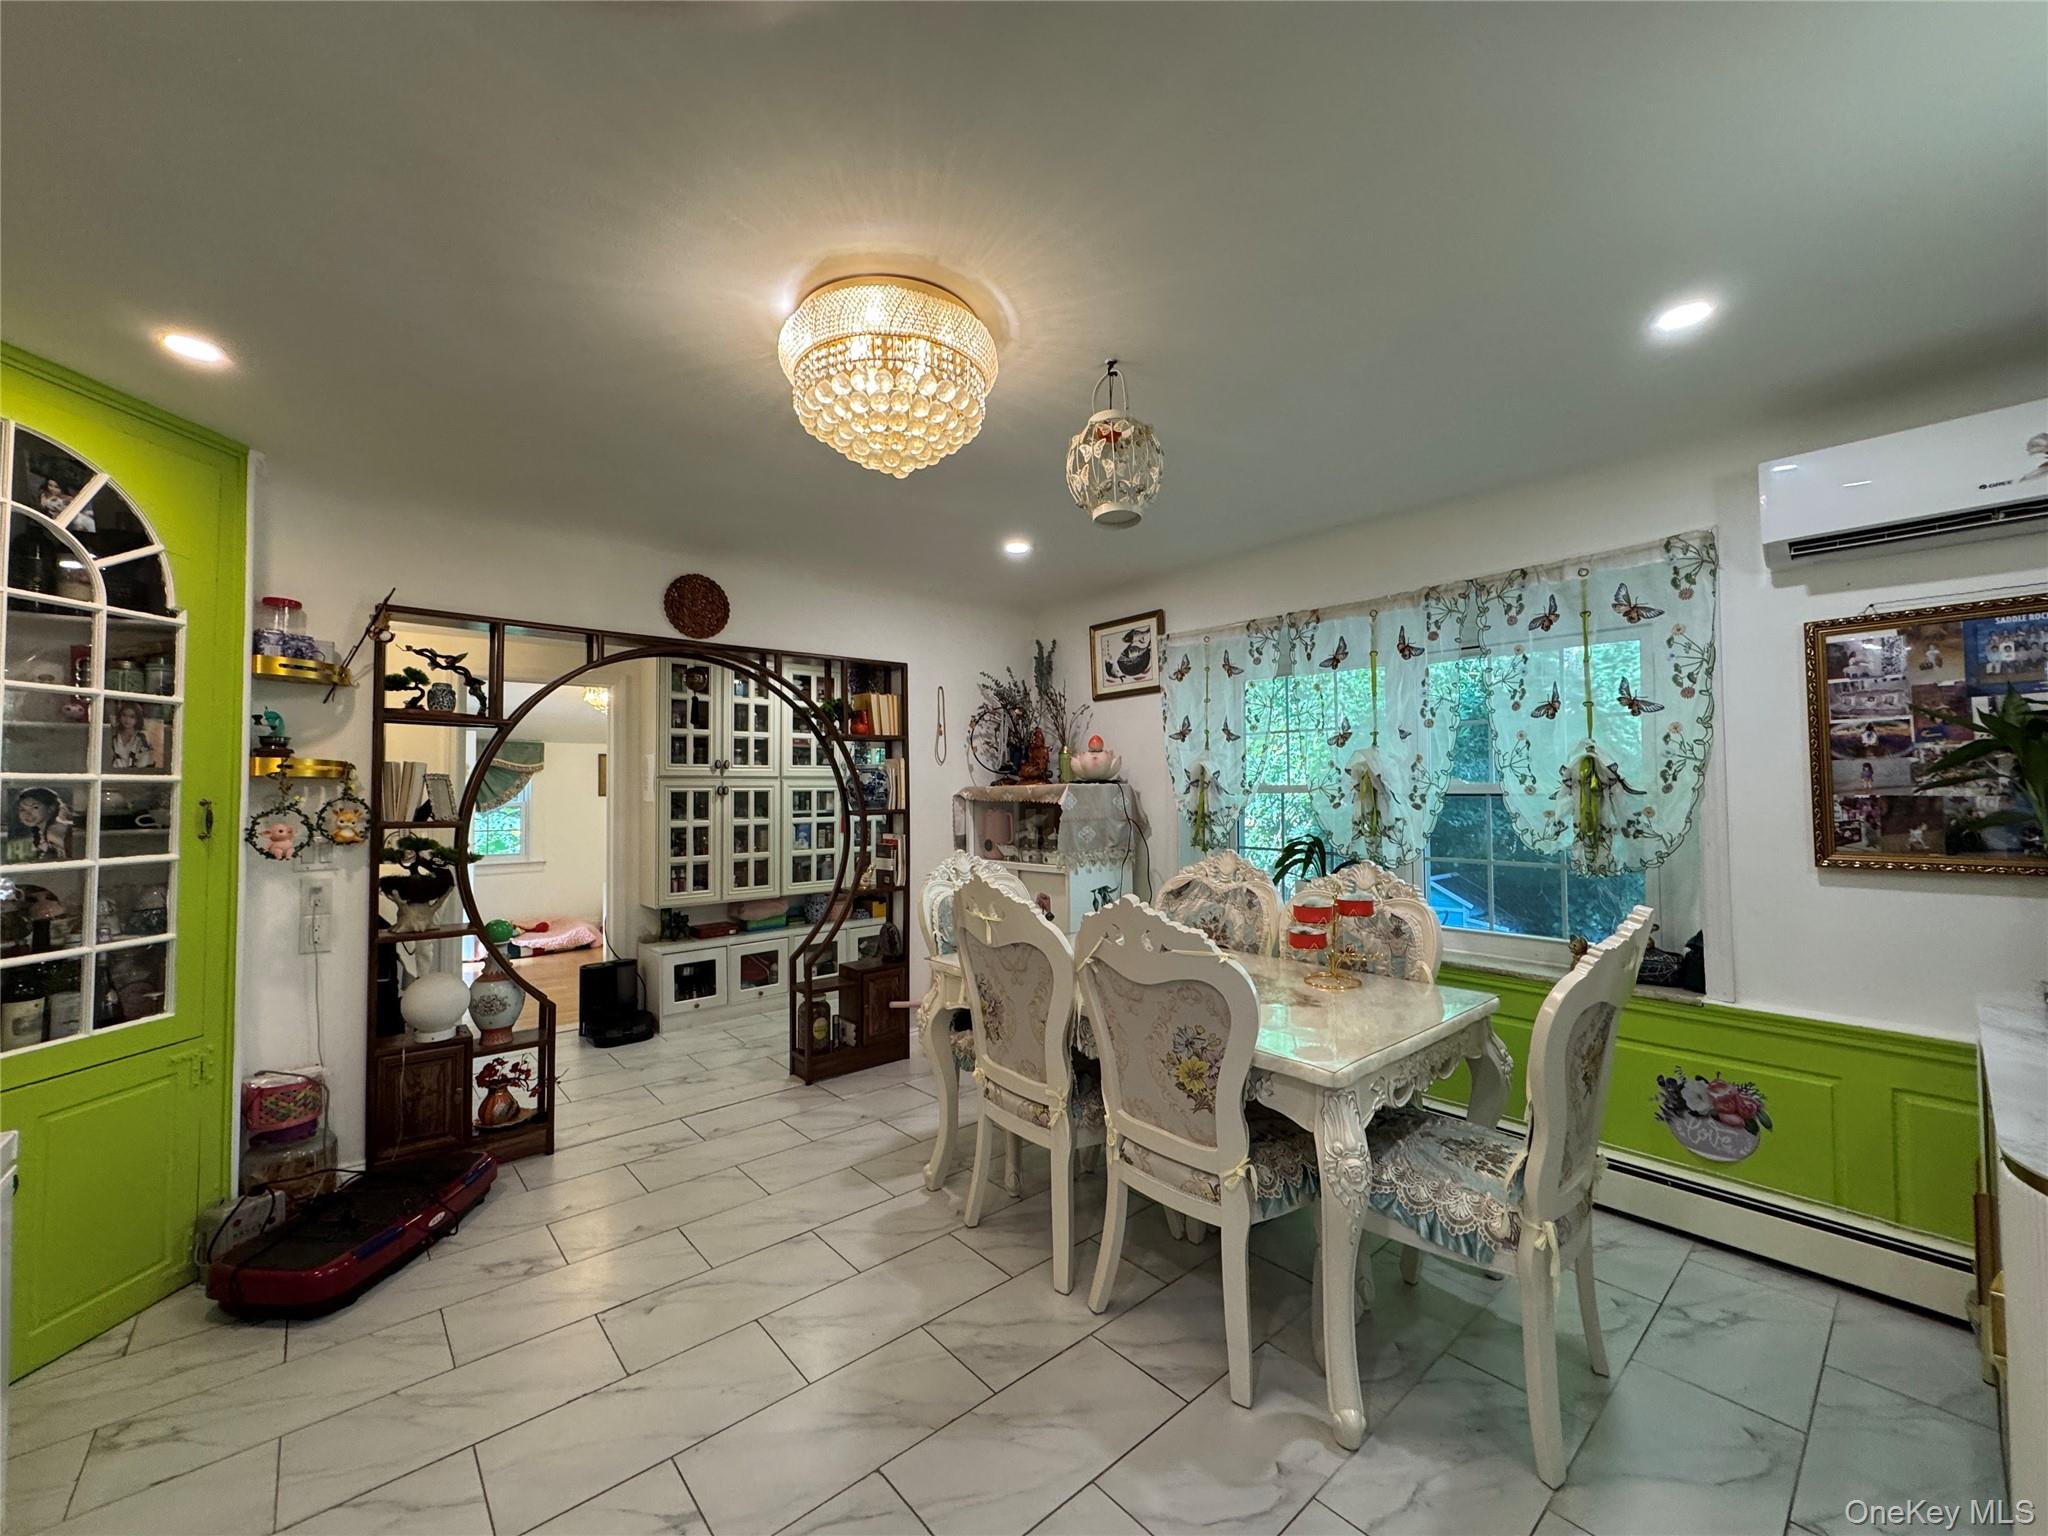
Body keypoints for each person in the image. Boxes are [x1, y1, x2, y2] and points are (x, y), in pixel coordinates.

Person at [13, 787, 74, 861]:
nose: (27, 814)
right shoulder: (42, 832)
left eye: (35, 807)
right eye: (22, 809)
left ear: (50, 808)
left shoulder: (54, 831)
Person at [108, 700, 156, 770]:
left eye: (132, 717)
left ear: (137, 719)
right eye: (124, 715)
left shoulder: (142, 738)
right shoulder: (113, 735)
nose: (127, 720)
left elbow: (145, 763)